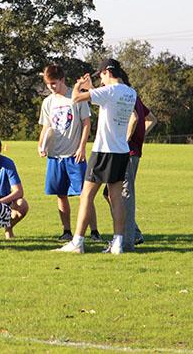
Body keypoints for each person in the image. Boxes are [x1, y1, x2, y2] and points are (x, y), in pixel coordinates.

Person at [54, 58, 136, 255]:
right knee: (116, 198)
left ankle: (77, 242)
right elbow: (105, 100)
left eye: (101, 75)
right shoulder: (130, 92)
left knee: (86, 196)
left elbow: (74, 98)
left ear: (107, 72)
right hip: (121, 151)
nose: (101, 79)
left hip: (103, 151)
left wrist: (79, 86)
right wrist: (91, 88)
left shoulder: (109, 91)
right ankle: (118, 243)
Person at [38, 64, 101, 242]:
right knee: (61, 194)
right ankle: (66, 231)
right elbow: (46, 127)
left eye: (54, 83)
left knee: (84, 194)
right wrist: (40, 145)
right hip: (55, 156)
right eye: (48, 84)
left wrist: (82, 147)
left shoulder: (76, 97)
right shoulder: (48, 102)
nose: (51, 87)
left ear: (62, 80)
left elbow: (87, 123)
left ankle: (94, 231)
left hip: (74, 155)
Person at [103, 94, 157, 250]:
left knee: (123, 194)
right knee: (109, 194)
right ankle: (134, 232)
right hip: (130, 152)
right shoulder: (135, 97)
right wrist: (139, 138)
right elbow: (151, 119)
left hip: (127, 154)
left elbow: (134, 118)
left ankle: (126, 240)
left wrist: (124, 140)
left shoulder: (125, 97)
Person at [0, 136, 29, 239]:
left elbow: (19, 191)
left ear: (0, 151)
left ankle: (8, 227)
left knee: (22, 204)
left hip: (3, 200)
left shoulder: (8, 163)